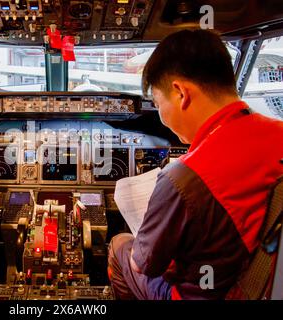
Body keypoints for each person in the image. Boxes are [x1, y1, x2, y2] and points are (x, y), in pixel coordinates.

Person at [108, 29, 283, 300]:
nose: (161, 115)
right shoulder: (278, 132)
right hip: (255, 286)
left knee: (120, 246)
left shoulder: (184, 178)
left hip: (199, 295)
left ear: (180, 93)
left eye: (157, 103)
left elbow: (143, 264)